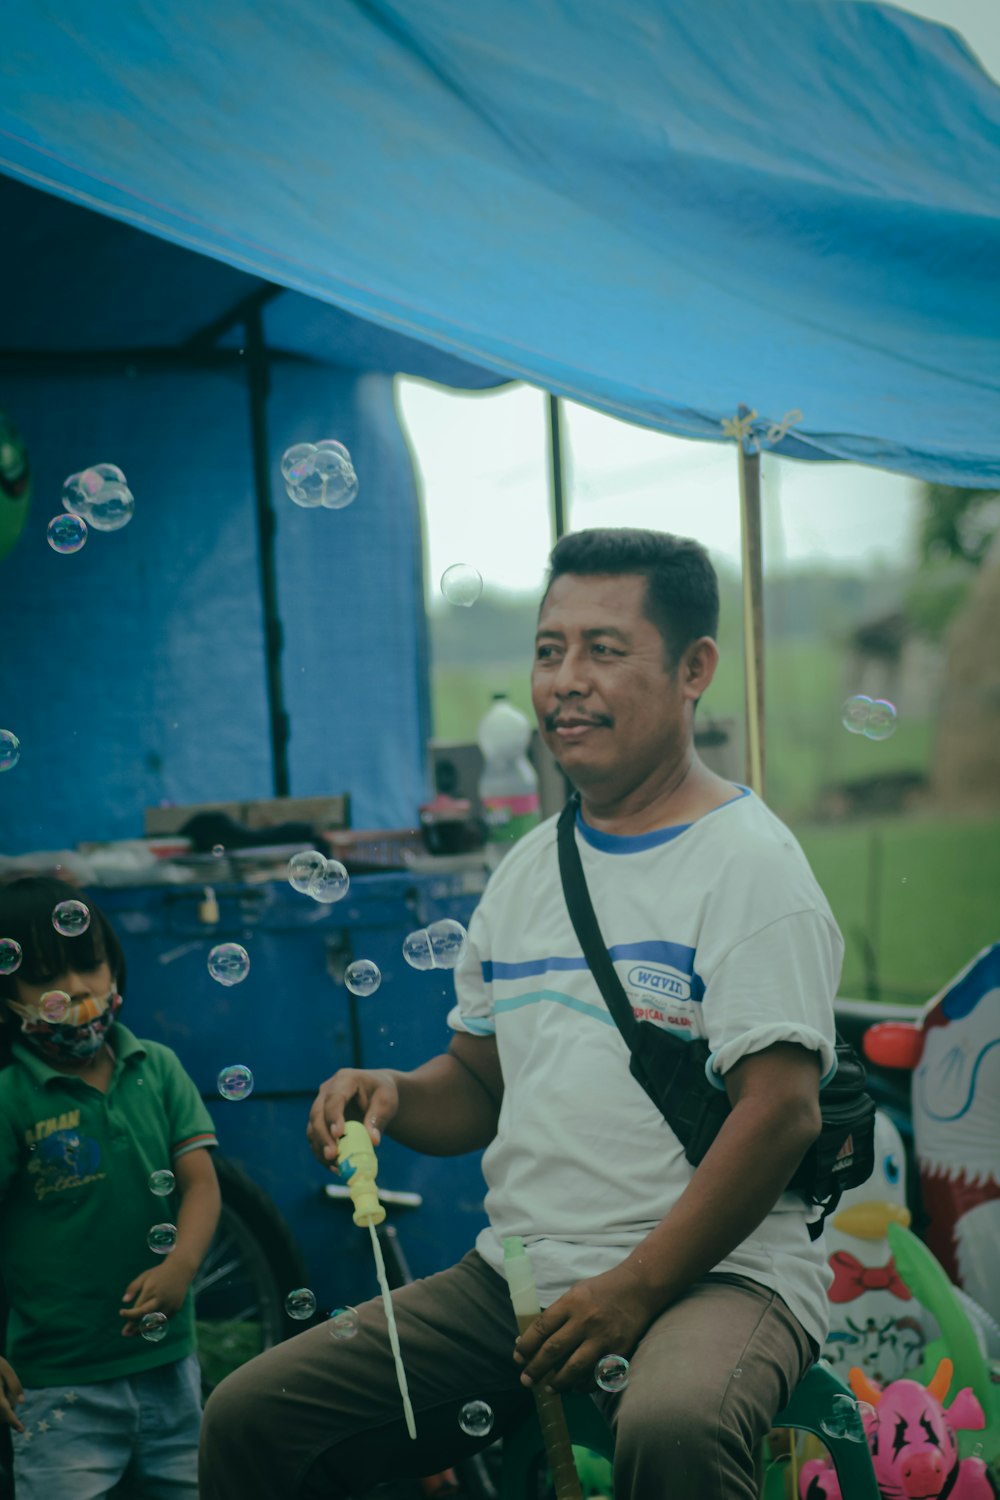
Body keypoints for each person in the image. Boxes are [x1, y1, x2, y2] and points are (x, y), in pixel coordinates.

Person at [199, 527, 841, 1500]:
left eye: (604, 649)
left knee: (672, 1430)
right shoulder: (529, 868)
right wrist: (394, 1095)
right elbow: (478, 1085)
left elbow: (781, 1111)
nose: (565, 680)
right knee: (250, 1421)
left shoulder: (747, 865)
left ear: (693, 668)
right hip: (520, 1279)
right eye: (549, 650)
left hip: (719, 1273)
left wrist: (635, 1286)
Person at [0, 876, 221, 1500]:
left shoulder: (160, 1069)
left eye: (86, 962)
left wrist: (182, 1265)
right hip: (55, 1385)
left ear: (113, 965)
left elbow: (200, 1186)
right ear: (5, 997)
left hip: (170, 1366)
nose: (75, 987)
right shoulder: (11, 1099)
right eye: (44, 975)